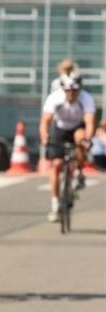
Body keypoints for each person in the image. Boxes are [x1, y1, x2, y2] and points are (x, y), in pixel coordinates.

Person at [39, 73, 96, 219]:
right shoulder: (55, 97)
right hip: (60, 129)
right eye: (68, 91)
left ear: (79, 89)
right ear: (63, 89)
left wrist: (88, 139)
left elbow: (89, 122)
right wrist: (45, 137)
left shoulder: (86, 98)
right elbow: (45, 121)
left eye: (74, 91)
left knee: (80, 138)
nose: (71, 94)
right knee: (56, 164)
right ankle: (55, 203)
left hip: (78, 128)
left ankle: (79, 171)